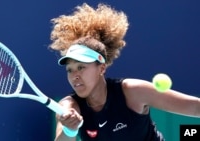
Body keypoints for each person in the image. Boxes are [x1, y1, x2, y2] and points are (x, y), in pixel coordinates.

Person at [49, 3, 200, 141]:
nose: (75, 75)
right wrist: (70, 129)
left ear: (101, 68)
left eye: (81, 67)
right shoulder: (69, 105)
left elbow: (194, 107)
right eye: (70, 70)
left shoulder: (132, 91)